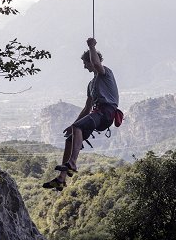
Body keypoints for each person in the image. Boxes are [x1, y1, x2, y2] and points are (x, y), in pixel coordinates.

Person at [43, 38, 119, 191]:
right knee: (70, 139)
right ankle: (61, 179)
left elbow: (97, 64)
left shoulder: (105, 73)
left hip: (107, 112)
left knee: (79, 127)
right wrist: (72, 125)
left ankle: (72, 162)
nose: (85, 67)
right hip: (98, 113)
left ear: (91, 60)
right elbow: (87, 108)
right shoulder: (91, 85)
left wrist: (91, 47)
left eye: (86, 63)